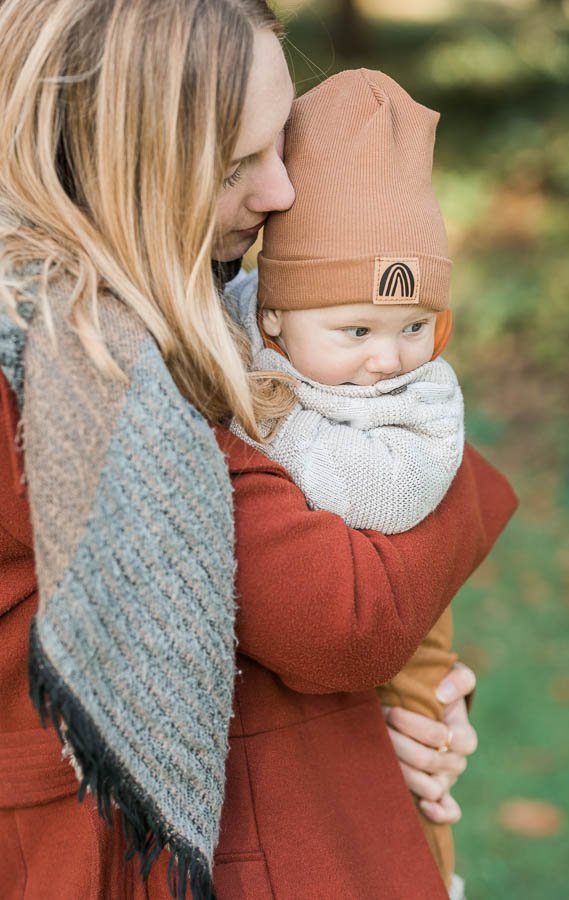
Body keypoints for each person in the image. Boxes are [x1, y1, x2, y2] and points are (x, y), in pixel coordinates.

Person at [0, 2, 517, 899]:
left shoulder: (198, 312)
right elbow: (343, 619)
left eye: (283, 144)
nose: (281, 192)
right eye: (239, 163)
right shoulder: (76, 368)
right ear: (116, 161)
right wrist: (441, 453)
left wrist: (412, 705)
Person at [226, 68, 510, 898]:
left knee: (421, 757)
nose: (386, 358)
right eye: (356, 330)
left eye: (414, 327)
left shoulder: (416, 394)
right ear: (273, 319)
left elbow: (392, 494)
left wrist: (267, 424)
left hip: (407, 607)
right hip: (339, 618)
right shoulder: (243, 326)